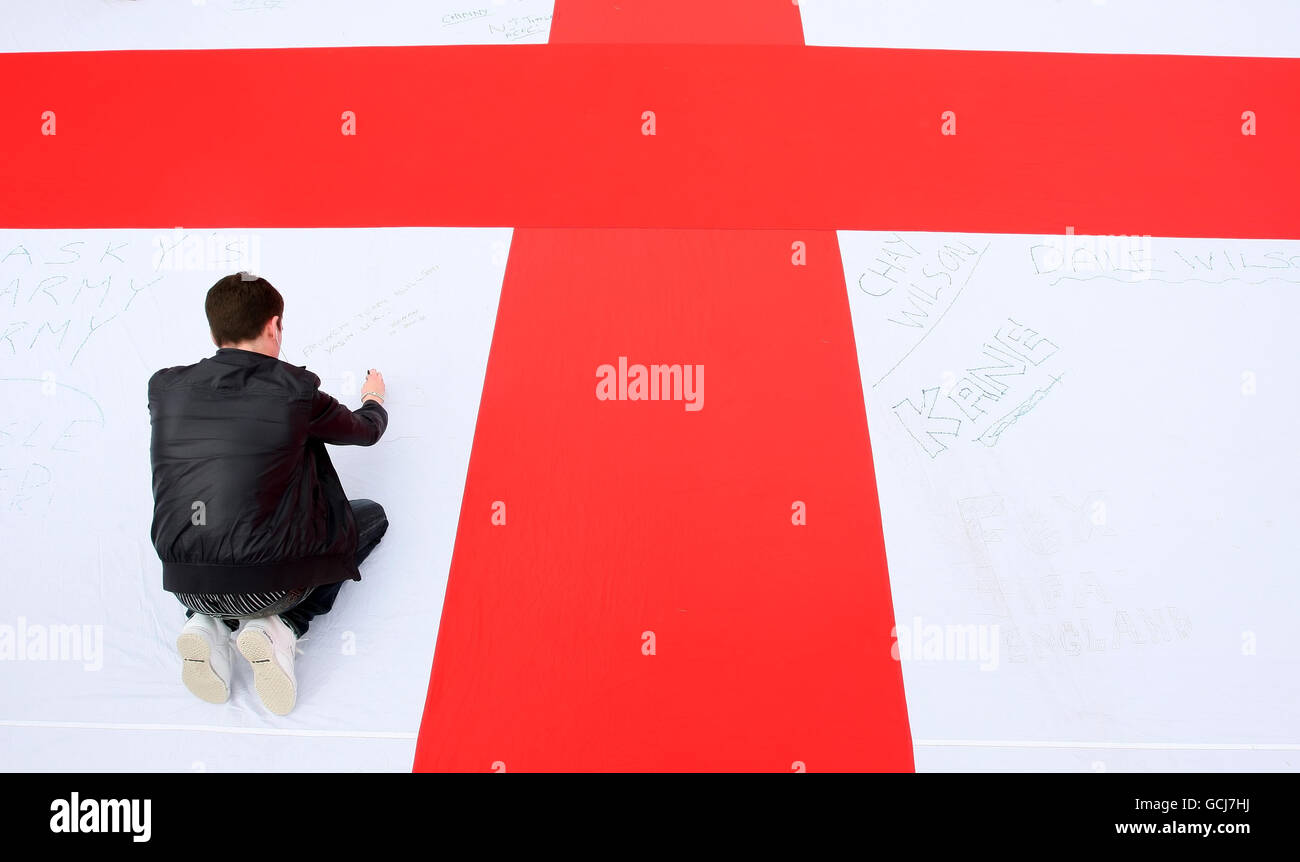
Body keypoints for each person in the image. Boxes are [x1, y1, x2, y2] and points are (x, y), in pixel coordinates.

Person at [147, 271, 390, 715]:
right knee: (371, 516)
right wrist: (373, 400)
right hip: (273, 587)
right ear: (274, 325)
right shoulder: (294, 390)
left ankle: (208, 626)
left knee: (228, 516)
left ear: (213, 331)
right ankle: (282, 627)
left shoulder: (165, 388)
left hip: (186, 583)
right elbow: (364, 433)